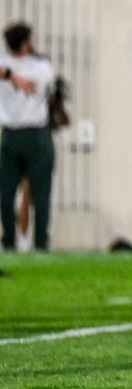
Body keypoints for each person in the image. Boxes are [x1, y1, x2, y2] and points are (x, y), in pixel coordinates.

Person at [0, 23, 56, 251]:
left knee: (7, 193)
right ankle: (40, 243)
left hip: (12, 135)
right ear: (24, 44)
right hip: (34, 135)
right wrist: (14, 77)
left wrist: (9, 75)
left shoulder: (6, 65)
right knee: (39, 194)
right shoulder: (41, 66)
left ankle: (11, 243)